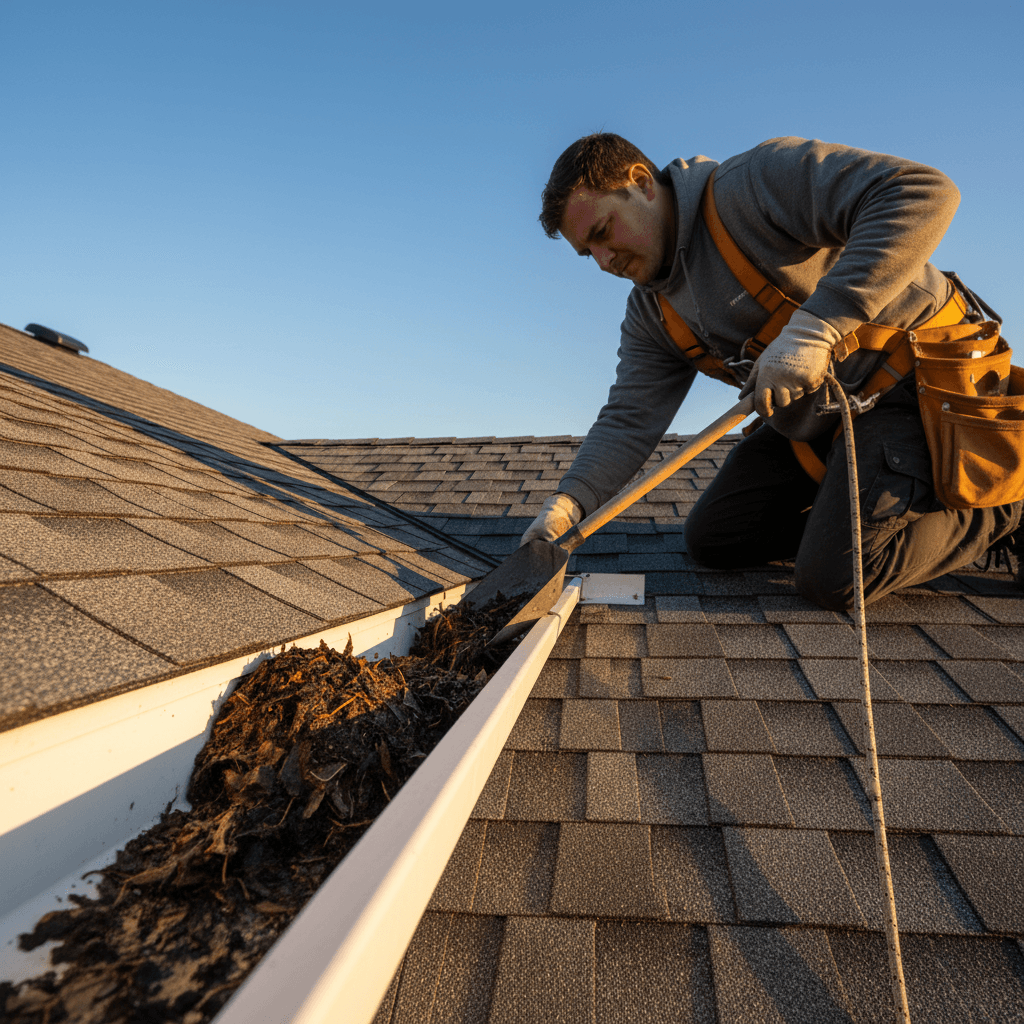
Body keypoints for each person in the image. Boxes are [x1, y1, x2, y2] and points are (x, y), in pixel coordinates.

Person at [521, 133, 1021, 609]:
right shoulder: (652, 314)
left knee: (835, 577)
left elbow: (924, 192)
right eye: (589, 253)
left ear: (642, 183)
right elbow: (629, 418)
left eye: (603, 232)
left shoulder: (752, 185)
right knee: (714, 539)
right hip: (823, 423)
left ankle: (1006, 499)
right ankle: (854, 515)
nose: (604, 261)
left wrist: (817, 328)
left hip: (915, 388)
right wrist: (569, 504)